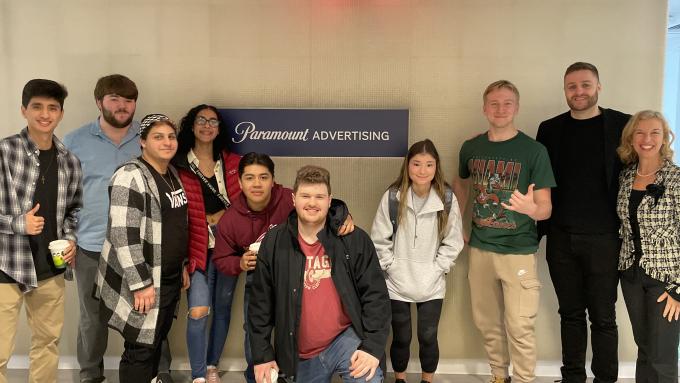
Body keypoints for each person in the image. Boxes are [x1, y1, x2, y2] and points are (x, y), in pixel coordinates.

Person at [64, 74, 171, 383]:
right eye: (114, 99)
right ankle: (90, 376)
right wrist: (68, 238)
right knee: (92, 320)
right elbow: (65, 197)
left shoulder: (149, 137)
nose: (122, 106)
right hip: (91, 246)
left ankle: (157, 373)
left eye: (128, 100)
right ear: (99, 102)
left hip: (141, 249)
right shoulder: (74, 141)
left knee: (148, 316)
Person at [212, 153, 355, 383]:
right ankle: (256, 376)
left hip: (297, 272)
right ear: (239, 182)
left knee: (301, 322)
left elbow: (320, 203)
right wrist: (238, 263)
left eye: (263, 177)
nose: (257, 184)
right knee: (254, 329)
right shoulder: (230, 219)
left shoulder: (289, 197)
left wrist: (342, 215)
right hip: (259, 277)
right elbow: (220, 258)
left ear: (273, 180)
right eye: (249, 178)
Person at [247, 165, 389, 383]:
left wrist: (372, 348)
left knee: (366, 380)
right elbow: (260, 305)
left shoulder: (353, 239)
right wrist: (262, 355)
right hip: (300, 354)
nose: (312, 203)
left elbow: (376, 296)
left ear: (330, 200)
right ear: (294, 199)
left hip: (344, 339)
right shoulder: (274, 243)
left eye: (319, 197)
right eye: (305, 196)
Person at [453, 80, 555, 383]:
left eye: (507, 103)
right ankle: (499, 376)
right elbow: (461, 186)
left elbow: (545, 207)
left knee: (520, 325)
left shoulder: (534, 151)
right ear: (485, 108)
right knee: (487, 323)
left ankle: (524, 380)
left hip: (518, 252)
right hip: (481, 249)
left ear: (517, 107)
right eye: (494, 103)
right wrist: (456, 226)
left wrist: (530, 209)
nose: (500, 109)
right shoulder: (471, 147)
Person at [536, 62, 630, 383]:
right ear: (565, 90)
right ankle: (572, 377)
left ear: (598, 87)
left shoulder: (622, 125)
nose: (579, 92)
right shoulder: (549, 129)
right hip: (561, 238)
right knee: (570, 315)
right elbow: (540, 183)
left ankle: (606, 379)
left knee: (603, 317)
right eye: (572, 86)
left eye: (585, 85)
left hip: (606, 239)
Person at [94, 114, 189, 383]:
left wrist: (181, 266)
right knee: (140, 349)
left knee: (155, 342)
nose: (167, 142)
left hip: (167, 277)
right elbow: (122, 235)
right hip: (143, 281)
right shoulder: (129, 176)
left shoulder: (171, 173)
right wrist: (140, 284)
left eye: (171, 136)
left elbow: (176, 225)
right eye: (158, 137)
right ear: (143, 142)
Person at [0, 79, 82, 383]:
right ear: (24, 110)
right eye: (37, 106)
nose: (45, 114)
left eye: (52, 107)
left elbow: (74, 211)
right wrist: (17, 223)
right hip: (6, 265)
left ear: (60, 113)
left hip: (50, 269)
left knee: (47, 344)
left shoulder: (70, 161)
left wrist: (71, 240)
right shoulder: (4, 152)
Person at [371, 139, 464, 383]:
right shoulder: (392, 197)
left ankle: (427, 380)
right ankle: (399, 379)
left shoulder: (446, 198)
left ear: (436, 167)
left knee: (428, 336)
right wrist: (391, 266)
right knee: (401, 337)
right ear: (407, 165)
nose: (422, 171)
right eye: (417, 164)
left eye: (429, 164)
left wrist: (439, 267)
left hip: (432, 283)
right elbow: (379, 239)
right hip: (397, 282)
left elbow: (454, 240)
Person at [172, 104, 241, 383]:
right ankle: (198, 374)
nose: (207, 125)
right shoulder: (177, 164)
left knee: (222, 308)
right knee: (199, 309)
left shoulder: (234, 163)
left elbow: (250, 200)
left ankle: (212, 364)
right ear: (191, 125)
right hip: (195, 247)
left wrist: (225, 214)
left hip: (227, 247)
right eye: (201, 120)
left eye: (213, 121)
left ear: (220, 128)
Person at [615, 110, 680, 383]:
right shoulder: (626, 177)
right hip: (630, 274)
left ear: (664, 138)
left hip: (665, 280)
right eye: (640, 132)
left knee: (662, 355)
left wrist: (678, 288)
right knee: (644, 349)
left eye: (655, 132)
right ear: (631, 138)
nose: (647, 138)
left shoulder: (676, 178)